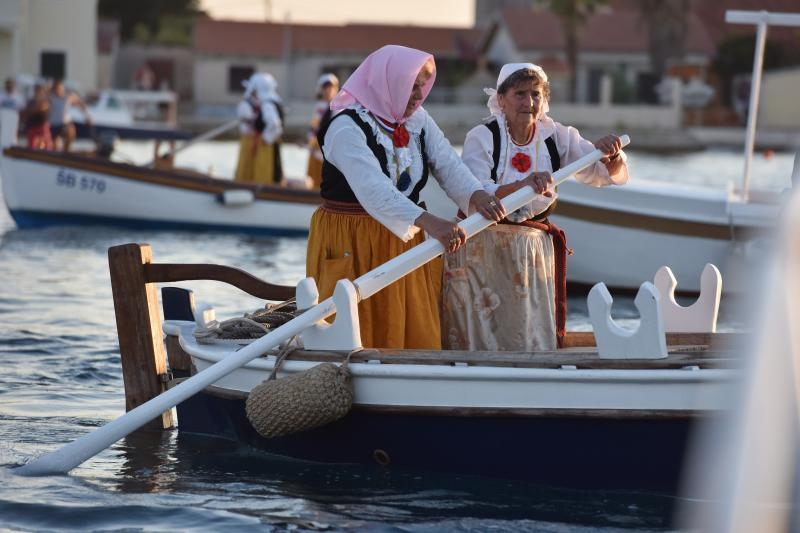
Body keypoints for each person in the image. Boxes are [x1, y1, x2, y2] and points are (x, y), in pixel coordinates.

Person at [306, 45, 505, 350]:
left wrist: (476, 195)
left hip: (403, 236)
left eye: (422, 86)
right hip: (354, 237)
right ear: (388, 83)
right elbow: (373, 188)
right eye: (411, 87)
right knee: (358, 324)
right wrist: (430, 222)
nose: (418, 95)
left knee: (411, 322)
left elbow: (448, 164)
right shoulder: (345, 126)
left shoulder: (418, 121)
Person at [441, 63, 629, 351]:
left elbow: (598, 174)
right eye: (519, 94)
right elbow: (475, 191)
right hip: (482, 245)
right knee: (480, 329)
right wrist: (524, 185)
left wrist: (610, 155)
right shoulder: (482, 136)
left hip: (530, 249)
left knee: (526, 329)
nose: (529, 102)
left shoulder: (557, 136)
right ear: (501, 99)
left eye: (535, 94)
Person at [233, 73, 284, 185]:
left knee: (264, 169)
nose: (253, 92)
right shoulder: (274, 101)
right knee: (273, 168)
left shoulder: (267, 104)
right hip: (271, 143)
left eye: (255, 89)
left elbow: (275, 125)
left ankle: (265, 188)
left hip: (266, 146)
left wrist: (265, 139)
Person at [306, 73, 339, 188]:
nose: (328, 90)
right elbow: (314, 126)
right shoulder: (319, 106)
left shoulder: (338, 107)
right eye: (325, 87)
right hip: (316, 147)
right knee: (315, 176)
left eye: (331, 87)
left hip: (329, 148)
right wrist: (311, 142)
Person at [48, 78, 91, 151]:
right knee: (54, 145)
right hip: (53, 124)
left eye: (59, 87)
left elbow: (80, 104)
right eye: (55, 88)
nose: (57, 90)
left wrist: (86, 116)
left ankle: (67, 151)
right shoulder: (50, 97)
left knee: (70, 131)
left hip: (65, 123)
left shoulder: (68, 96)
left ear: (62, 87)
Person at [23, 83, 53, 150]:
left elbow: (42, 108)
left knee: (46, 144)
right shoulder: (31, 101)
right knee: (32, 144)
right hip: (32, 125)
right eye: (37, 90)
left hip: (42, 126)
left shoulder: (45, 101)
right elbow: (29, 111)